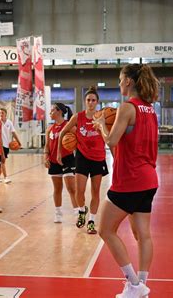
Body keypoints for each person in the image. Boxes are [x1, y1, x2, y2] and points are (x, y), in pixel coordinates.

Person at [93, 64, 159, 298]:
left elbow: (111, 141)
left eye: (121, 79)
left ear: (129, 81)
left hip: (130, 179)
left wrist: (102, 125)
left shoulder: (127, 108)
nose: (119, 83)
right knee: (143, 235)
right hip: (150, 178)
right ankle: (141, 285)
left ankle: (133, 284)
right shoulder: (149, 109)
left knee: (105, 230)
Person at [58, 86, 108, 234]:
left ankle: (91, 221)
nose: (91, 102)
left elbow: (110, 136)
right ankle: (81, 211)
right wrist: (59, 153)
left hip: (98, 157)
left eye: (93, 100)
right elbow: (63, 132)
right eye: (88, 100)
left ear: (97, 102)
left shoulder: (102, 117)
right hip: (81, 157)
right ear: (85, 101)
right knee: (79, 191)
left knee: (95, 192)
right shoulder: (77, 117)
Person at [44, 103, 79, 223]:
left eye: (52, 110)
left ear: (59, 111)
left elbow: (79, 141)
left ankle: (78, 212)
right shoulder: (50, 128)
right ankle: (58, 213)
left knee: (71, 188)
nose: (50, 112)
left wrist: (74, 146)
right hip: (54, 161)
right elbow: (47, 146)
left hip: (68, 159)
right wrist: (45, 157)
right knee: (57, 188)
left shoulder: (69, 126)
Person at [0, 108, 22, 184]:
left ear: (5, 114)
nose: (1, 114)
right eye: (0, 113)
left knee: (2, 162)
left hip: (6, 145)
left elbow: (13, 133)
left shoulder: (9, 122)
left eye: (2, 113)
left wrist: (19, 142)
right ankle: (5, 177)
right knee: (2, 162)